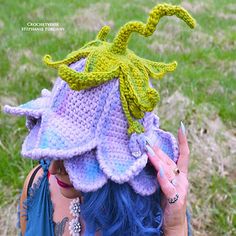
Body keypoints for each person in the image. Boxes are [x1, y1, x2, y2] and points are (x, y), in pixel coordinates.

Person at [4, 3, 195, 236]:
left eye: (75, 154)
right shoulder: (38, 185)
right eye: (60, 145)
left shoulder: (154, 214)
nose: (53, 168)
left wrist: (175, 227)